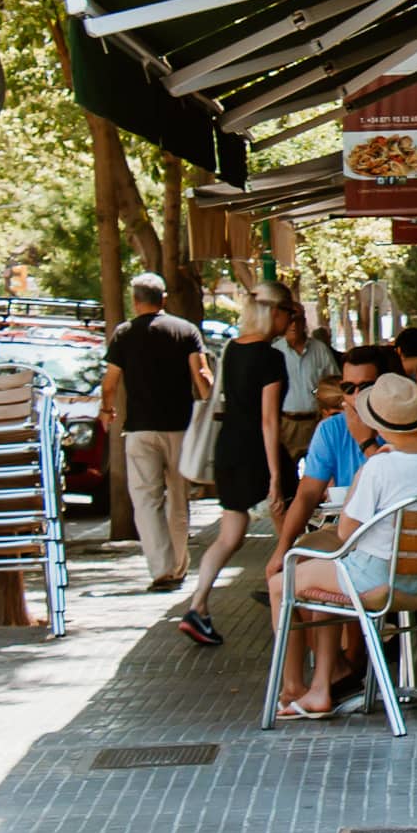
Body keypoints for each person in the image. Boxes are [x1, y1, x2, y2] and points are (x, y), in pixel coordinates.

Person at [275, 373, 417, 720]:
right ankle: (320, 687)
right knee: (319, 578)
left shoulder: (379, 466)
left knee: (281, 582)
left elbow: (346, 532)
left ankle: (293, 688)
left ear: (375, 422)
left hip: (375, 579)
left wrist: (362, 474)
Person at [266, 347, 398, 709]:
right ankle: (297, 683)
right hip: (346, 533)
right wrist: (281, 547)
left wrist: (365, 440)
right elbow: (308, 491)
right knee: (292, 561)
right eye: (348, 386)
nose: (354, 396)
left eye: (364, 386)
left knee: (318, 562)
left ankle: (328, 677)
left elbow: (395, 480)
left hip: (385, 545)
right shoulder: (330, 429)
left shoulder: (404, 428)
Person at [176, 289, 293, 646]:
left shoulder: (233, 349)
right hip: (256, 451)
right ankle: (289, 597)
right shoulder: (270, 357)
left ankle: (198, 606)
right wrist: (275, 474)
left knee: (230, 534)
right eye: (289, 311)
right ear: (274, 312)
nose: (292, 319)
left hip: (228, 447)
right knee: (287, 524)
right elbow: (268, 420)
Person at [99, 272, 212, 592]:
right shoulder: (185, 330)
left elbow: (110, 382)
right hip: (180, 428)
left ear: (135, 302)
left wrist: (107, 411)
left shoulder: (123, 335)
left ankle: (161, 569)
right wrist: (211, 407)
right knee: (178, 498)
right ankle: (179, 567)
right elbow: (202, 375)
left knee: (146, 500)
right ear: (163, 299)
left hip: (139, 429)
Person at [276, 302, 342, 460]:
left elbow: (333, 384)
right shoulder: (276, 352)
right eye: (290, 320)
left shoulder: (320, 349)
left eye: (298, 320)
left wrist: (315, 393)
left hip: (315, 420)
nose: (293, 325)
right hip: (287, 423)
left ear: (304, 322)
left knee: (321, 464)